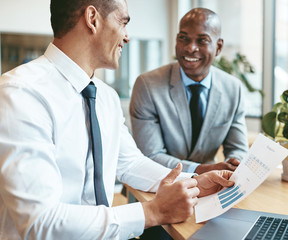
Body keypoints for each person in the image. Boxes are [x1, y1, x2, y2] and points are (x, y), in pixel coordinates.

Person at [0, 1, 235, 239]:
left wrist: (195, 181)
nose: (127, 37)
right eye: (123, 23)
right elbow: (39, 222)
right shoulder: (20, 93)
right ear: (92, 19)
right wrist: (151, 212)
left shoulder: (105, 97)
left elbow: (131, 164)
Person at [129, 8, 249, 175]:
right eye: (183, 38)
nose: (190, 48)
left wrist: (234, 163)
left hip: (210, 188)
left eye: (202, 41)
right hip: (155, 185)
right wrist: (201, 170)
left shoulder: (233, 89)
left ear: (219, 47)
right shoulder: (148, 86)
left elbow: (238, 149)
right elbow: (150, 155)